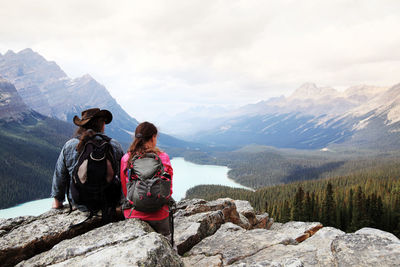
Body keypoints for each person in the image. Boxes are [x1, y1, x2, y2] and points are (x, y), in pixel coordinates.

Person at [51, 108, 124, 212]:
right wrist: (119, 204)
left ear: (82, 126)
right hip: (108, 203)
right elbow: (122, 175)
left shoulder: (70, 146)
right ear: (102, 125)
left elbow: (60, 175)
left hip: (79, 204)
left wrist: (57, 202)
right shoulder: (114, 145)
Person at [120, 121, 173, 238]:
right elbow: (168, 189)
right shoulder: (163, 157)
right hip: (160, 214)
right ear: (153, 137)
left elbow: (125, 189)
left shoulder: (126, 158)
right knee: (167, 242)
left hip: (134, 213)